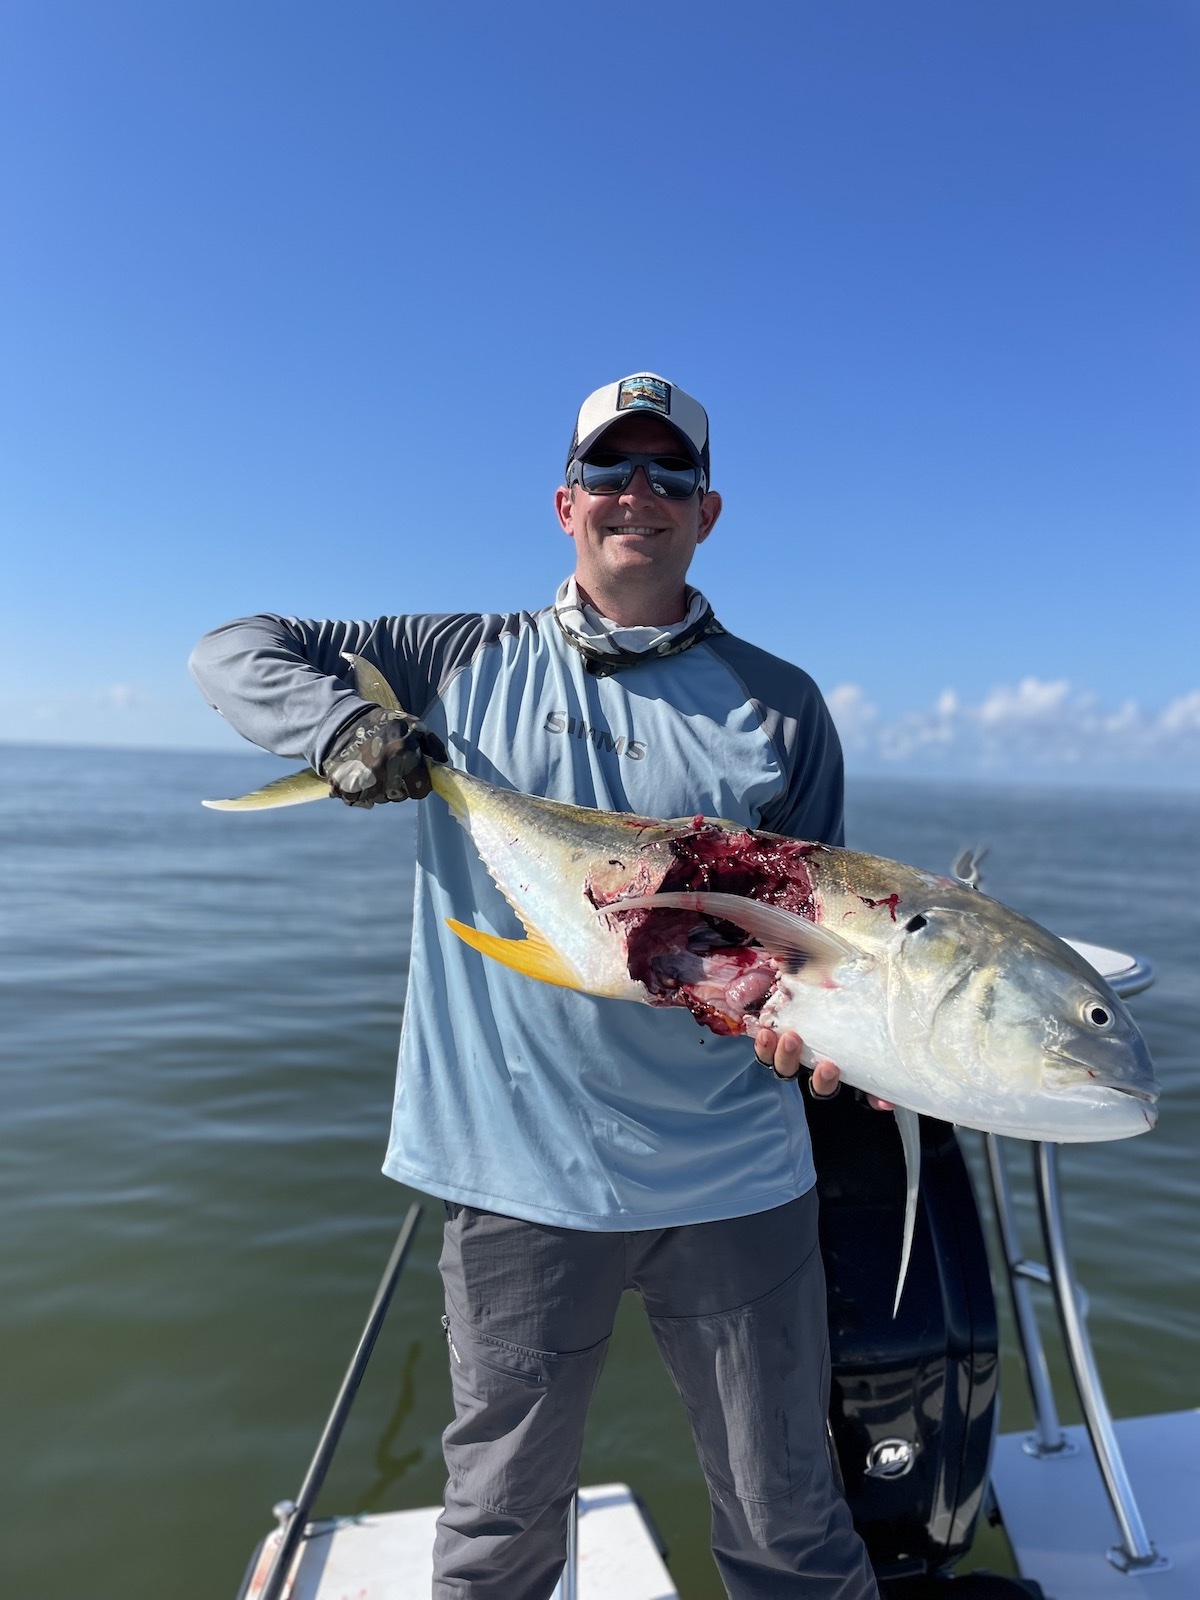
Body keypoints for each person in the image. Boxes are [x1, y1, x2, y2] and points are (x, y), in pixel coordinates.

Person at [190, 372, 880, 1600]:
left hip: (736, 1177)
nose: (640, 496)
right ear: (565, 501)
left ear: (708, 513)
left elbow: (812, 938)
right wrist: (345, 731)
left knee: (791, 1524)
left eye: (672, 475)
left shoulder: (783, 707)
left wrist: (825, 1033)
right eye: (613, 471)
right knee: (499, 1530)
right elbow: (234, 650)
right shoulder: (459, 659)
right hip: (516, 1172)